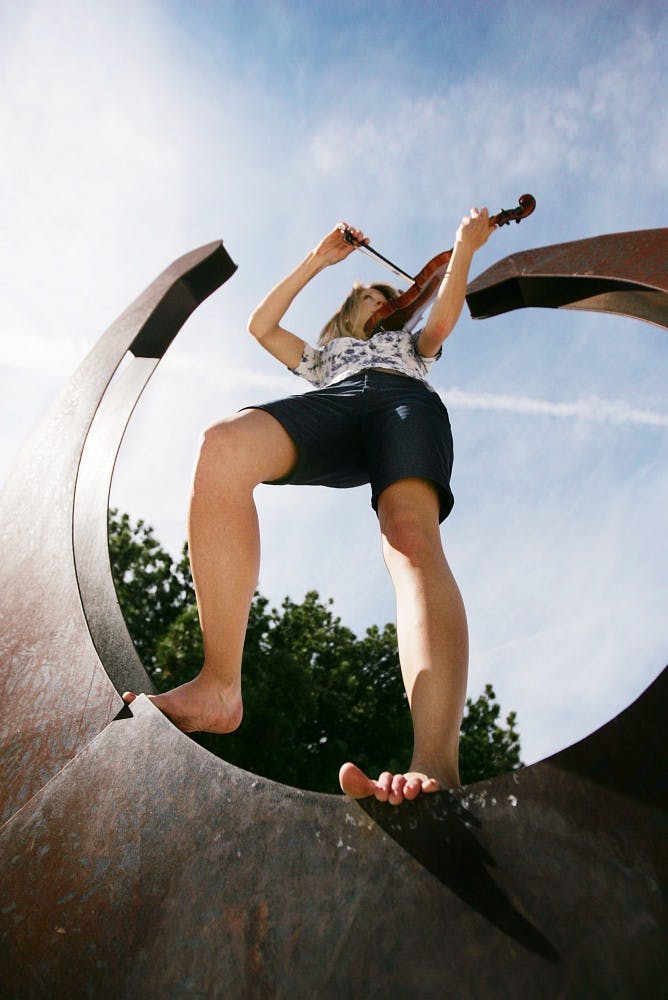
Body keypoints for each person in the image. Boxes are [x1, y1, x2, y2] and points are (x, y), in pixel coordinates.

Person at [123, 207, 495, 805]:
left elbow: (441, 318)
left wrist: (464, 247)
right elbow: (261, 325)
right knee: (223, 447)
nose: (391, 302)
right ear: (352, 310)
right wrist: (319, 260)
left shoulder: (409, 343)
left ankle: (435, 763)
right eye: (378, 297)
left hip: (405, 405)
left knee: (410, 535)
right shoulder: (326, 357)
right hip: (340, 400)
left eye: (395, 298)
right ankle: (220, 687)